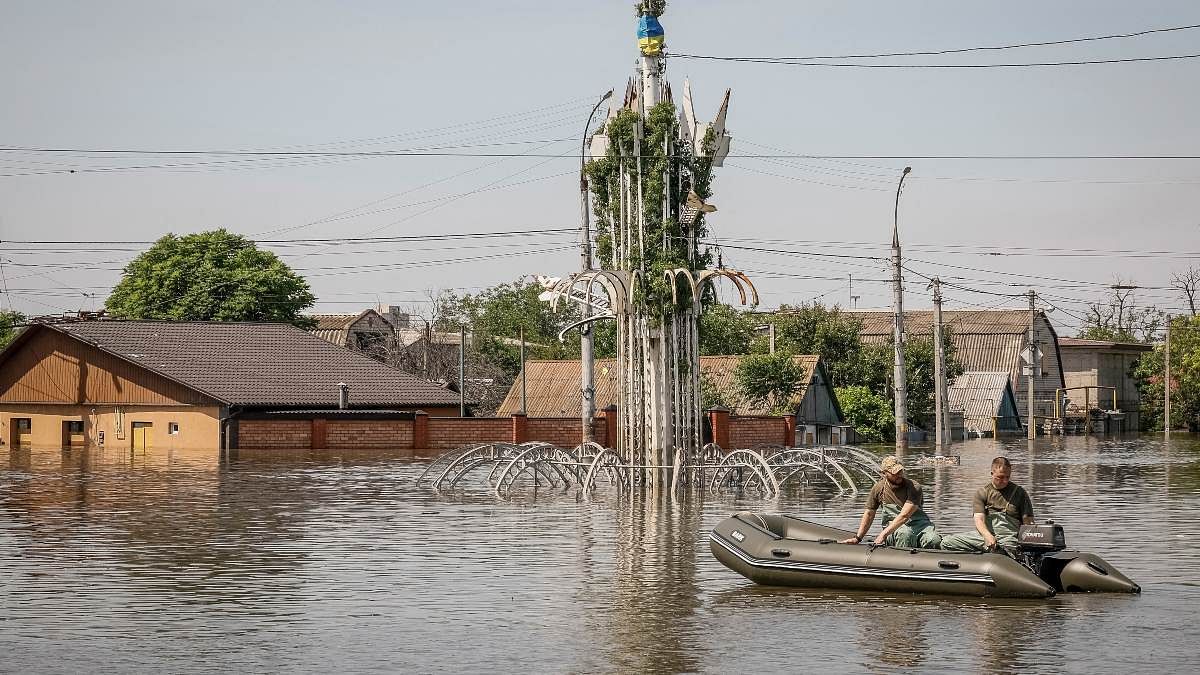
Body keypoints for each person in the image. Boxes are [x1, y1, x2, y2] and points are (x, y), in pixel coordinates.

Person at [839, 455, 942, 549]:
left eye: (900, 471)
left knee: (934, 540)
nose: (899, 475)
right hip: (894, 528)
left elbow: (904, 515)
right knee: (905, 534)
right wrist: (858, 538)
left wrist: (882, 535)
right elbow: (869, 514)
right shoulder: (879, 489)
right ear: (884, 473)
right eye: (894, 473)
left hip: (919, 525)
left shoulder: (914, 487)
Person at [940, 456, 1035, 552]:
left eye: (1007, 477)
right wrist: (987, 536)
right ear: (992, 474)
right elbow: (979, 520)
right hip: (985, 536)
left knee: (1007, 549)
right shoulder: (982, 492)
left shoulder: (1020, 492)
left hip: (1009, 537)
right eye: (1001, 477)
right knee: (947, 542)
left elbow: (1028, 523)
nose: (1005, 481)